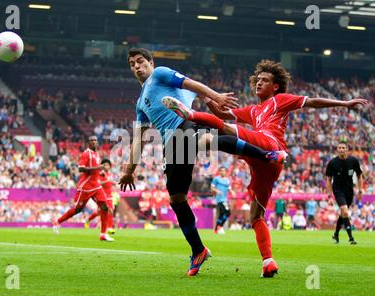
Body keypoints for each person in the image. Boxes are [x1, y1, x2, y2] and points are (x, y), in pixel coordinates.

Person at [163, 59, 368, 277]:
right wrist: (206, 98)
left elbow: (312, 101)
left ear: (276, 85)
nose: (259, 83)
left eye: (265, 80)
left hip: (270, 144)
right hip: (262, 164)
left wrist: (344, 103)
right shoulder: (253, 111)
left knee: (227, 131)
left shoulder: (280, 100)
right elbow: (221, 114)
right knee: (256, 215)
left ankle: (190, 115)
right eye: (258, 80)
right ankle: (268, 262)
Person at [118, 48, 287, 277]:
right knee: (176, 199)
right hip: (173, 145)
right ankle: (198, 250)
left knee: (203, 139)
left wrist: (215, 96)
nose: (137, 66)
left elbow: (191, 84)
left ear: (150, 62)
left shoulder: (159, 74)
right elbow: (138, 137)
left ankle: (265, 154)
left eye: (140, 61)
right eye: (132, 64)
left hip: (185, 125)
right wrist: (129, 170)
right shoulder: (140, 104)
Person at [52, 136, 113, 241]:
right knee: (77, 210)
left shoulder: (97, 154)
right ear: (88, 143)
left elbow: (96, 171)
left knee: (104, 207)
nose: (94, 142)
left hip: (96, 185)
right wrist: (98, 168)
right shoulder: (86, 154)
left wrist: (100, 172)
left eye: (95, 140)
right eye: (91, 140)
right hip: (86, 186)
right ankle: (57, 222)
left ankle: (103, 234)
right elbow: (80, 168)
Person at [326, 142, 363, 245]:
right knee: (345, 211)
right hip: (338, 190)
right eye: (339, 148)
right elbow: (328, 180)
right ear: (337, 150)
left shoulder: (353, 161)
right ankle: (351, 237)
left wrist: (360, 190)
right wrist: (329, 195)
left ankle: (336, 234)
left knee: (343, 214)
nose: (341, 149)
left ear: (347, 149)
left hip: (349, 191)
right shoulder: (332, 163)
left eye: (343, 147)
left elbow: (360, 176)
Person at [86, 158, 116, 235]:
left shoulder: (109, 174)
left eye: (108, 165)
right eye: (105, 165)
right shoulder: (100, 174)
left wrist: (114, 183)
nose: (107, 166)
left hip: (109, 195)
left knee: (110, 210)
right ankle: (88, 220)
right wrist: (107, 180)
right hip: (102, 195)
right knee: (99, 212)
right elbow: (98, 183)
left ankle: (109, 228)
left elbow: (110, 182)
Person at [211, 167, 234, 234]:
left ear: (226, 172)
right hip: (220, 199)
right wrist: (217, 190)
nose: (222, 172)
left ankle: (215, 230)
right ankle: (220, 226)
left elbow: (229, 189)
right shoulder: (216, 179)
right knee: (228, 212)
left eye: (223, 171)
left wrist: (232, 192)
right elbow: (212, 187)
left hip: (225, 199)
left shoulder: (227, 180)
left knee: (221, 215)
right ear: (219, 172)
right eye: (221, 171)